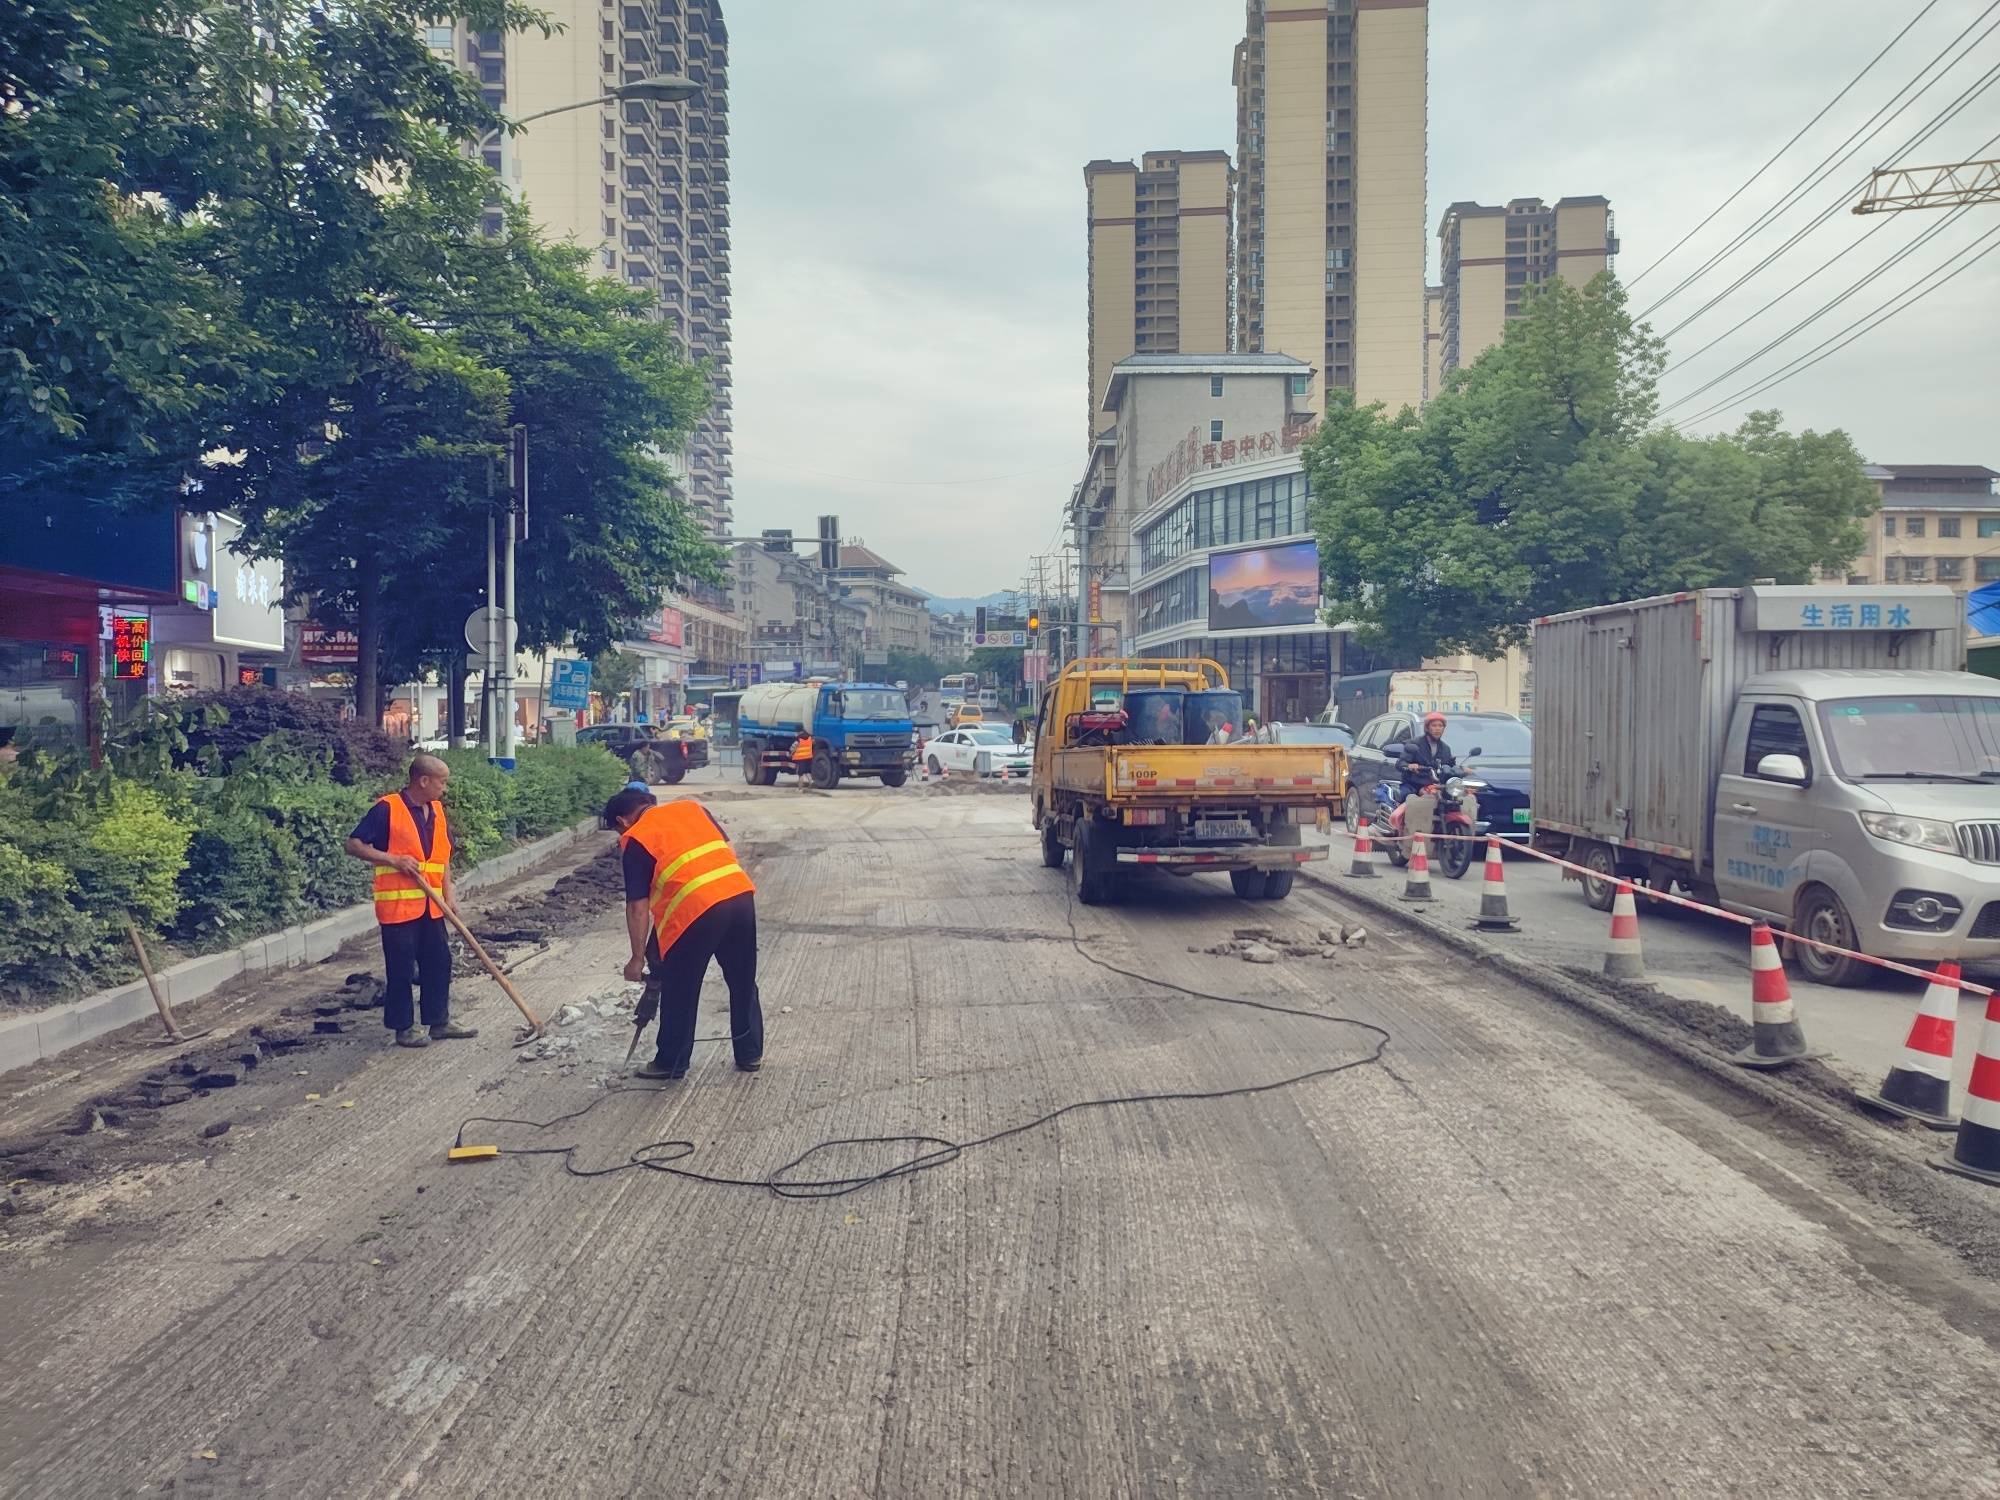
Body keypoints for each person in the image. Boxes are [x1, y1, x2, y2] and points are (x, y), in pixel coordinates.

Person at [604, 786, 764, 1080]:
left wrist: (637, 959)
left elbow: (637, 907)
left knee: (681, 988)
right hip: (739, 895)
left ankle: (671, 1061)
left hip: (697, 911)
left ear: (622, 821)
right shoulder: (693, 809)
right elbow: (724, 851)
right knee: (742, 980)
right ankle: (750, 1053)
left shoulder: (636, 838)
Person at [344, 755, 478, 1049]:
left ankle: (439, 1021)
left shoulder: (438, 812)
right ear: (424, 780)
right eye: (442, 781)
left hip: (432, 906)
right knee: (401, 969)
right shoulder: (387, 808)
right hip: (399, 908)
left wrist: (449, 895)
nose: (445, 788)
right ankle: (403, 1028)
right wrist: (393, 859)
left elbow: (443, 860)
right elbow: (353, 844)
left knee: (439, 963)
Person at [1397, 712, 1477, 851]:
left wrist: (1462, 769)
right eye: (1434, 725)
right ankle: (1406, 837)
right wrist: (1410, 765)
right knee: (1411, 801)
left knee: (1460, 799)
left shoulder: (1445, 748)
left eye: (1440, 726)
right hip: (1416, 784)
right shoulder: (1414, 744)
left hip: (1437, 785)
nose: (1437, 728)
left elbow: (1450, 765)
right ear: (1427, 727)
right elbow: (1400, 762)